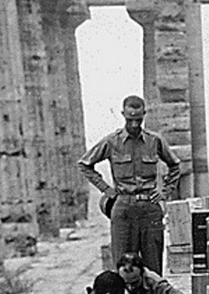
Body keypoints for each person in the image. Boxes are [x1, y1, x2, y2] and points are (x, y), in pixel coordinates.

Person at [78, 95, 181, 275]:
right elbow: (85, 164)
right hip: (123, 208)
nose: (134, 124)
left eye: (138, 120)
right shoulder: (112, 142)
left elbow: (175, 165)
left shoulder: (154, 141)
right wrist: (106, 189)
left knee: (153, 268)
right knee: (123, 268)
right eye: (130, 119)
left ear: (144, 116)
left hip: (150, 208)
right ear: (123, 115)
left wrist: (165, 192)